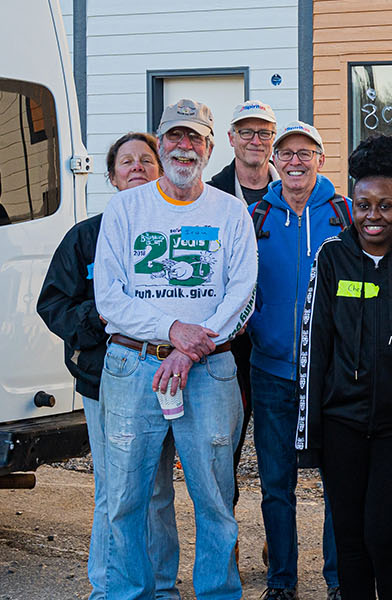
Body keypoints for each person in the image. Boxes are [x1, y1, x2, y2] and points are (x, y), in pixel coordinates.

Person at [92, 98, 257, 600]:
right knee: (125, 497)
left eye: (195, 138)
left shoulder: (230, 211)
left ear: (209, 147)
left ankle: (216, 593)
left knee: (213, 496)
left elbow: (242, 291)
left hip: (209, 369)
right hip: (132, 364)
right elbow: (109, 296)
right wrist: (171, 328)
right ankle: (128, 593)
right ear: (159, 144)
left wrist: (189, 347)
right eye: (174, 137)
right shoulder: (124, 209)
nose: (184, 147)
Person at [295, 134, 392, 600]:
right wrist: (309, 435)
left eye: (385, 205)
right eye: (364, 205)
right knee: (350, 539)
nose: (373, 216)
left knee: (388, 536)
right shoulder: (332, 257)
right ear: (351, 206)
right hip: (342, 423)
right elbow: (313, 346)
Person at [38, 132, 180, 599]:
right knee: (113, 491)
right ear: (112, 176)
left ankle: (160, 587)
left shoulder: (177, 233)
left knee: (159, 492)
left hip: (168, 378)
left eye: (146, 160)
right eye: (127, 162)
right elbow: (53, 303)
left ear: (161, 171)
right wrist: (96, 318)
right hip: (104, 382)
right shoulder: (86, 237)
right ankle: (108, 587)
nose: (137, 167)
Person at [248, 119, 348, 600]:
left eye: (304, 152)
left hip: (331, 375)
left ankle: (337, 581)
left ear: (320, 160)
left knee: (338, 486)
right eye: (286, 153)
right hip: (271, 371)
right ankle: (281, 582)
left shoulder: (345, 214)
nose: (294, 160)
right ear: (275, 161)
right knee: (275, 484)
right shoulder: (255, 217)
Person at [206, 99, 282, 536]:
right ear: (230, 138)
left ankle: (278, 547)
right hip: (224, 348)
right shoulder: (209, 194)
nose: (255, 141)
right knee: (223, 451)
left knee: (276, 459)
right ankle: (226, 542)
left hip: (274, 346)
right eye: (246, 132)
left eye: (264, 133)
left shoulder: (293, 193)